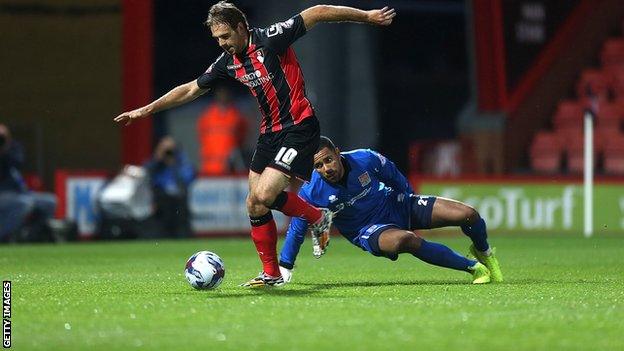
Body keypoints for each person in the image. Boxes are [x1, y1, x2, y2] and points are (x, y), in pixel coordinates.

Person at [114, 2, 396, 287]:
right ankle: (272, 273)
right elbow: (190, 88)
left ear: (240, 27)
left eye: (225, 36)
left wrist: (366, 16)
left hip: (299, 127)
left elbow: (318, 12)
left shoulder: (271, 38)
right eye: (217, 39)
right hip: (269, 134)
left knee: (263, 193)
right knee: (255, 204)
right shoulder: (227, 63)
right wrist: (147, 109)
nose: (222, 44)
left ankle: (316, 217)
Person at [278, 136, 503, 284]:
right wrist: (285, 265)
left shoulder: (365, 158)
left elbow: (393, 174)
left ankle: (484, 253)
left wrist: (406, 196)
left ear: (337, 153)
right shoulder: (311, 191)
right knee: (406, 240)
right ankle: (474, 269)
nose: (326, 168)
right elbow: (297, 227)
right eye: (318, 165)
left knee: (468, 214)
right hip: (368, 229)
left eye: (328, 160)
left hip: (396, 204)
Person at [0, 123, 57, 242]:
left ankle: (29, 236)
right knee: (23, 203)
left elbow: (18, 161)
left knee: (50, 202)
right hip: (4, 193)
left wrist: (5, 147)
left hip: (19, 192)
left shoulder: (12, 147)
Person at [145, 136, 196, 238]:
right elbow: (146, 174)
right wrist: (158, 158)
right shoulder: (157, 165)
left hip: (179, 204)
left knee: (182, 235)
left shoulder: (181, 163)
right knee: (160, 236)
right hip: (162, 205)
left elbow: (188, 176)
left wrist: (174, 163)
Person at [197, 86, 248, 175]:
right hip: (209, 167)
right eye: (220, 93)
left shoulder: (237, 116)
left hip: (229, 167)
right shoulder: (207, 116)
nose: (223, 96)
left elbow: (242, 137)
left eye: (225, 93)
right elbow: (201, 136)